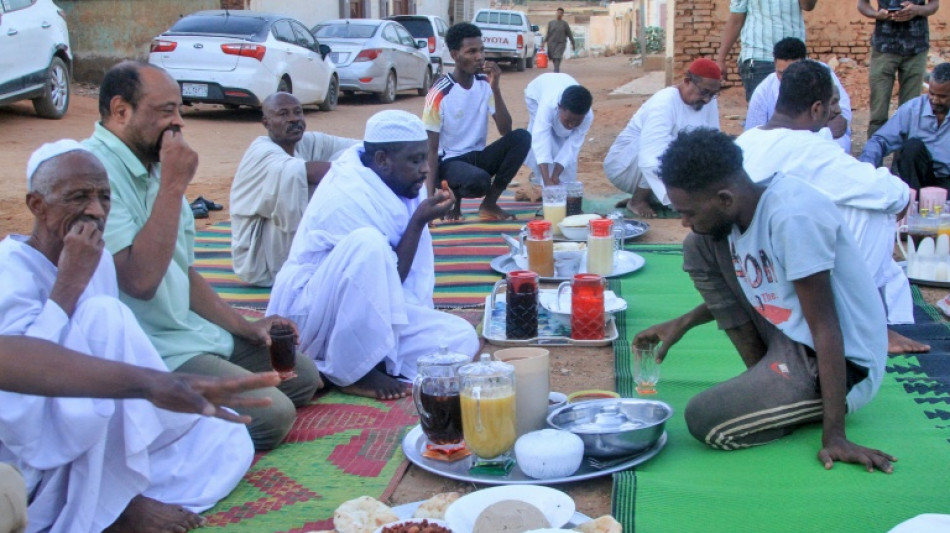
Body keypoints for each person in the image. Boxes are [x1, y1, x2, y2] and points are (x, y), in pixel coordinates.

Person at [0, 141, 270, 532]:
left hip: (106, 417)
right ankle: (116, 507)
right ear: (37, 206)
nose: (95, 210)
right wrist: (69, 282)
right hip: (35, 445)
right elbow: (19, 391)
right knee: (104, 315)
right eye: (79, 197)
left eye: (104, 198)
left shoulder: (96, 260)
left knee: (228, 440)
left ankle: (113, 490)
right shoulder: (10, 271)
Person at [82, 61, 323, 451]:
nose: (178, 122)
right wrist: (175, 185)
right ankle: (162, 433)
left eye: (179, 109)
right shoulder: (93, 172)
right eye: (165, 111)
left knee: (301, 375)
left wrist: (246, 327)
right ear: (121, 110)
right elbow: (140, 282)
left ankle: (193, 407)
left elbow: (182, 271)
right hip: (148, 347)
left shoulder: (155, 158)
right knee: (274, 415)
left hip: (186, 331)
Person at [635, 128, 895, 473]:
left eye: (689, 212)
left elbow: (826, 326)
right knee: (698, 245)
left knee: (706, 420)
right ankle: (767, 376)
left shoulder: (792, 217)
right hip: (789, 336)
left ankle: (795, 397)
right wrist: (684, 322)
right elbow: (769, 292)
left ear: (725, 198)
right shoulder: (739, 211)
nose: (684, 221)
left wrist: (835, 436)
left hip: (840, 364)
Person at [268, 110, 480, 400]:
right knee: (369, 244)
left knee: (459, 339)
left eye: (426, 158)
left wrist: (420, 214)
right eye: (416, 160)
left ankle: (367, 357)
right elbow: (391, 276)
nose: (426, 170)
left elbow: (391, 288)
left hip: (374, 307)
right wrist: (419, 220)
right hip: (315, 312)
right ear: (382, 159)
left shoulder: (401, 179)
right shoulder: (346, 194)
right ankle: (351, 372)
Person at [737, 60, 926, 355]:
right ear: (816, 110)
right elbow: (886, 194)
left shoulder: (747, 140)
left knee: (842, 200)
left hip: (752, 270)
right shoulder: (805, 148)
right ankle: (865, 324)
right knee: (873, 210)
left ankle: (880, 318)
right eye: (830, 106)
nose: (834, 112)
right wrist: (902, 196)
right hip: (782, 271)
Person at [0, 335, 280, 533]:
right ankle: (109, 504)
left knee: (229, 436)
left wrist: (159, 385)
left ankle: (108, 495)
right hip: (32, 441)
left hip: (117, 388)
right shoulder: (16, 264)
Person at [231, 92, 358, 286]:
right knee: (321, 184)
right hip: (259, 260)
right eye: (283, 114)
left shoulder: (305, 142)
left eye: (298, 112)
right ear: (266, 123)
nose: (293, 119)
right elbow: (309, 173)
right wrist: (361, 170)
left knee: (349, 156)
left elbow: (360, 148)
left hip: (283, 243)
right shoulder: (261, 152)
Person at [423, 22, 531, 222]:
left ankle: (489, 204)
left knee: (522, 138)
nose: (479, 57)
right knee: (479, 181)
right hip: (449, 163)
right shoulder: (439, 92)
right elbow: (430, 149)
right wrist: (430, 204)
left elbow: (505, 130)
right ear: (455, 55)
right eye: (471, 51)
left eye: (481, 50)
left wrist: (495, 88)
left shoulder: (483, 83)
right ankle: (452, 197)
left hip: (477, 157)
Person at [604, 58, 722, 218]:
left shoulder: (707, 102)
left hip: (662, 162)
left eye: (713, 94)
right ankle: (638, 200)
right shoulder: (664, 101)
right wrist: (682, 201)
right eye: (704, 92)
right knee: (675, 147)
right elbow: (650, 157)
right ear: (687, 81)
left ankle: (653, 197)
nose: (707, 99)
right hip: (626, 164)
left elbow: (713, 143)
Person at [744, 37, 853, 153]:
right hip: (778, 148)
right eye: (781, 73)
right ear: (775, 64)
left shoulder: (821, 74)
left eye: (793, 72)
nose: (787, 78)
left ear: (805, 63)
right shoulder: (763, 91)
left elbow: (841, 117)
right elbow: (755, 133)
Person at [859, 62, 950, 192]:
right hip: (917, 178)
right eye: (932, 93)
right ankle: (912, 204)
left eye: (942, 96)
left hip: (947, 180)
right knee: (911, 147)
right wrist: (866, 167)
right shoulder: (912, 109)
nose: (934, 100)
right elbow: (880, 140)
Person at [858, 0, 940, 136]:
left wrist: (917, 10)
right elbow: (862, 4)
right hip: (883, 47)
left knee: (910, 113)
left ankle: (903, 156)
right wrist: (877, 14)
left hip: (916, 47)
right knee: (878, 112)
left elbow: (934, 5)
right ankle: (873, 155)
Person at [716, 0, 818, 101]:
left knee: (796, 110)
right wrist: (721, 59)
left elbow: (808, 6)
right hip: (759, 58)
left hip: (794, 58)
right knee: (764, 112)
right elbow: (736, 19)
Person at [524, 73, 593, 186]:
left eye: (577, 122)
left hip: (560, 84)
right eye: (568, 120)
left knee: (564, 144)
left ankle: (553, 177)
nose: (571, 125)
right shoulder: (547, 106)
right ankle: (539, 177)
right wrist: (546, 179)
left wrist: (556, 175)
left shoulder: (588, 116)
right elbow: (541, 138)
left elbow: (572, 146)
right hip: (535, 96)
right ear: (559, 107)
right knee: (547, 140)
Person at [543, 7, 575, 73]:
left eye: (561, 13)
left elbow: (569, 34)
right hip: (551, 44)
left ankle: (556, 71)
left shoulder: (564, 24)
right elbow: (548, 34)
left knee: (557, 56)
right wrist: (543, 42)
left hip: (561, 43)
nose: (559, 14)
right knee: (554, 58)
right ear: (556, 13)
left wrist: (573, 43)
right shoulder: (551, 23)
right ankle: (556, 69)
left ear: (562, 15)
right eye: (558, 12)